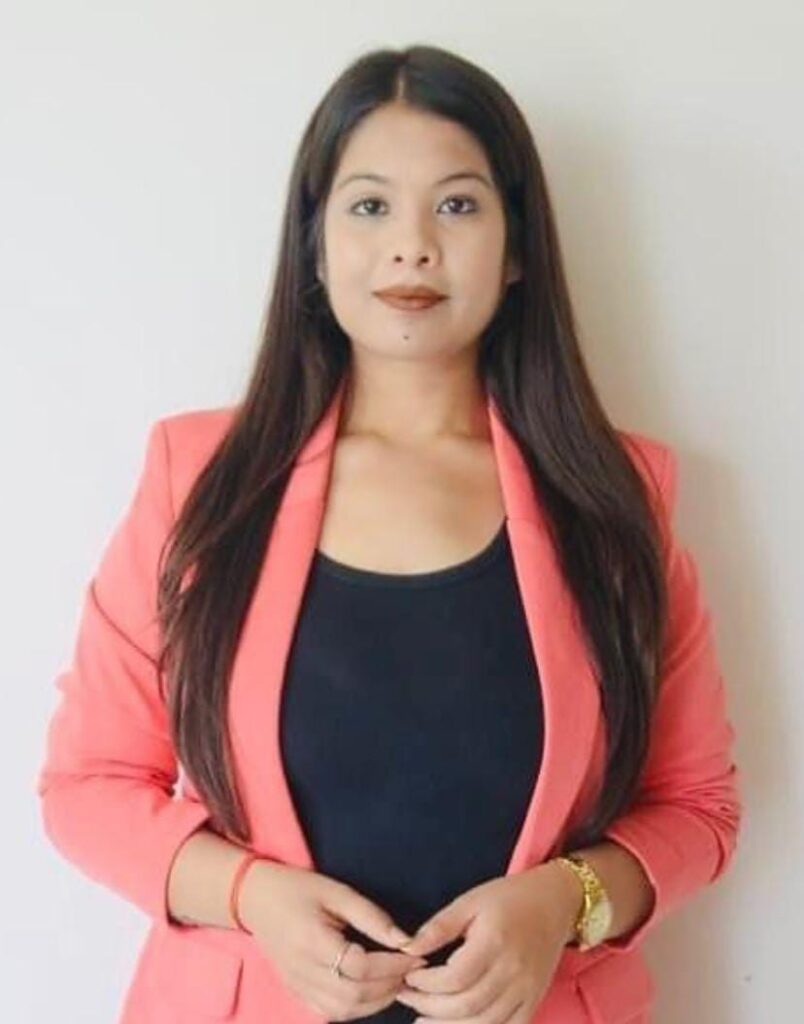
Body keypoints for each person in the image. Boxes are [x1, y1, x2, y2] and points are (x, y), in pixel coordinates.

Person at [36, 43, 742, 1024]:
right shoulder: (198, 481)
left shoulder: (615, 497)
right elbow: (87, 785)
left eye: (457, 205)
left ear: (518, 248)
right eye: (370, 206)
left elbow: (698, 804)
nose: (413, 245)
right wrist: (250, 896)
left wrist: (567, 901)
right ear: (316, 247)